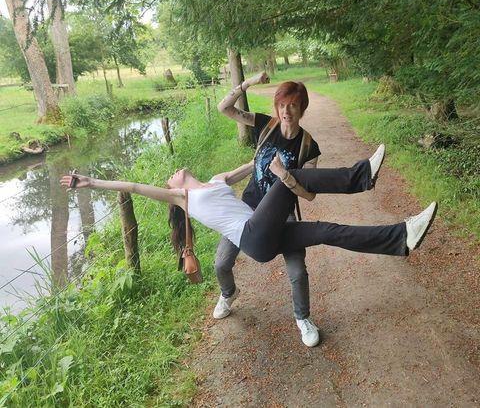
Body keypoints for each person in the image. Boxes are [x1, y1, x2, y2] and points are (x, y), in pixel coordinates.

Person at [60, 148, 438, 311]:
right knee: (288, 179)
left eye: (173, 173)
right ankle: (362, 175)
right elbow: (133, 186)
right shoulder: (182, 198)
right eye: (170, 176)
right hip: (253, 237)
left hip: (263, 238)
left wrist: (266, 152)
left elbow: (250, 165)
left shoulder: (215, 180)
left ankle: (400, 238)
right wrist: (91, 182)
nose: (173, 173)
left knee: (327, 230)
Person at [217, 73, 322, 346]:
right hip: (248, 206)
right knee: (221, 263)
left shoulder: (308, 147)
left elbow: (309, 195)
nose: (286, 111)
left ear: (302, 108)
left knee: (297, 271)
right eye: (282, 105)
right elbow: (224, 108)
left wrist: (285, 176)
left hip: (283, 213)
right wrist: (248, 83)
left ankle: (303, 318)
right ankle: (228, 293)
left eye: (293, 105)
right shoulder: (265, 125)